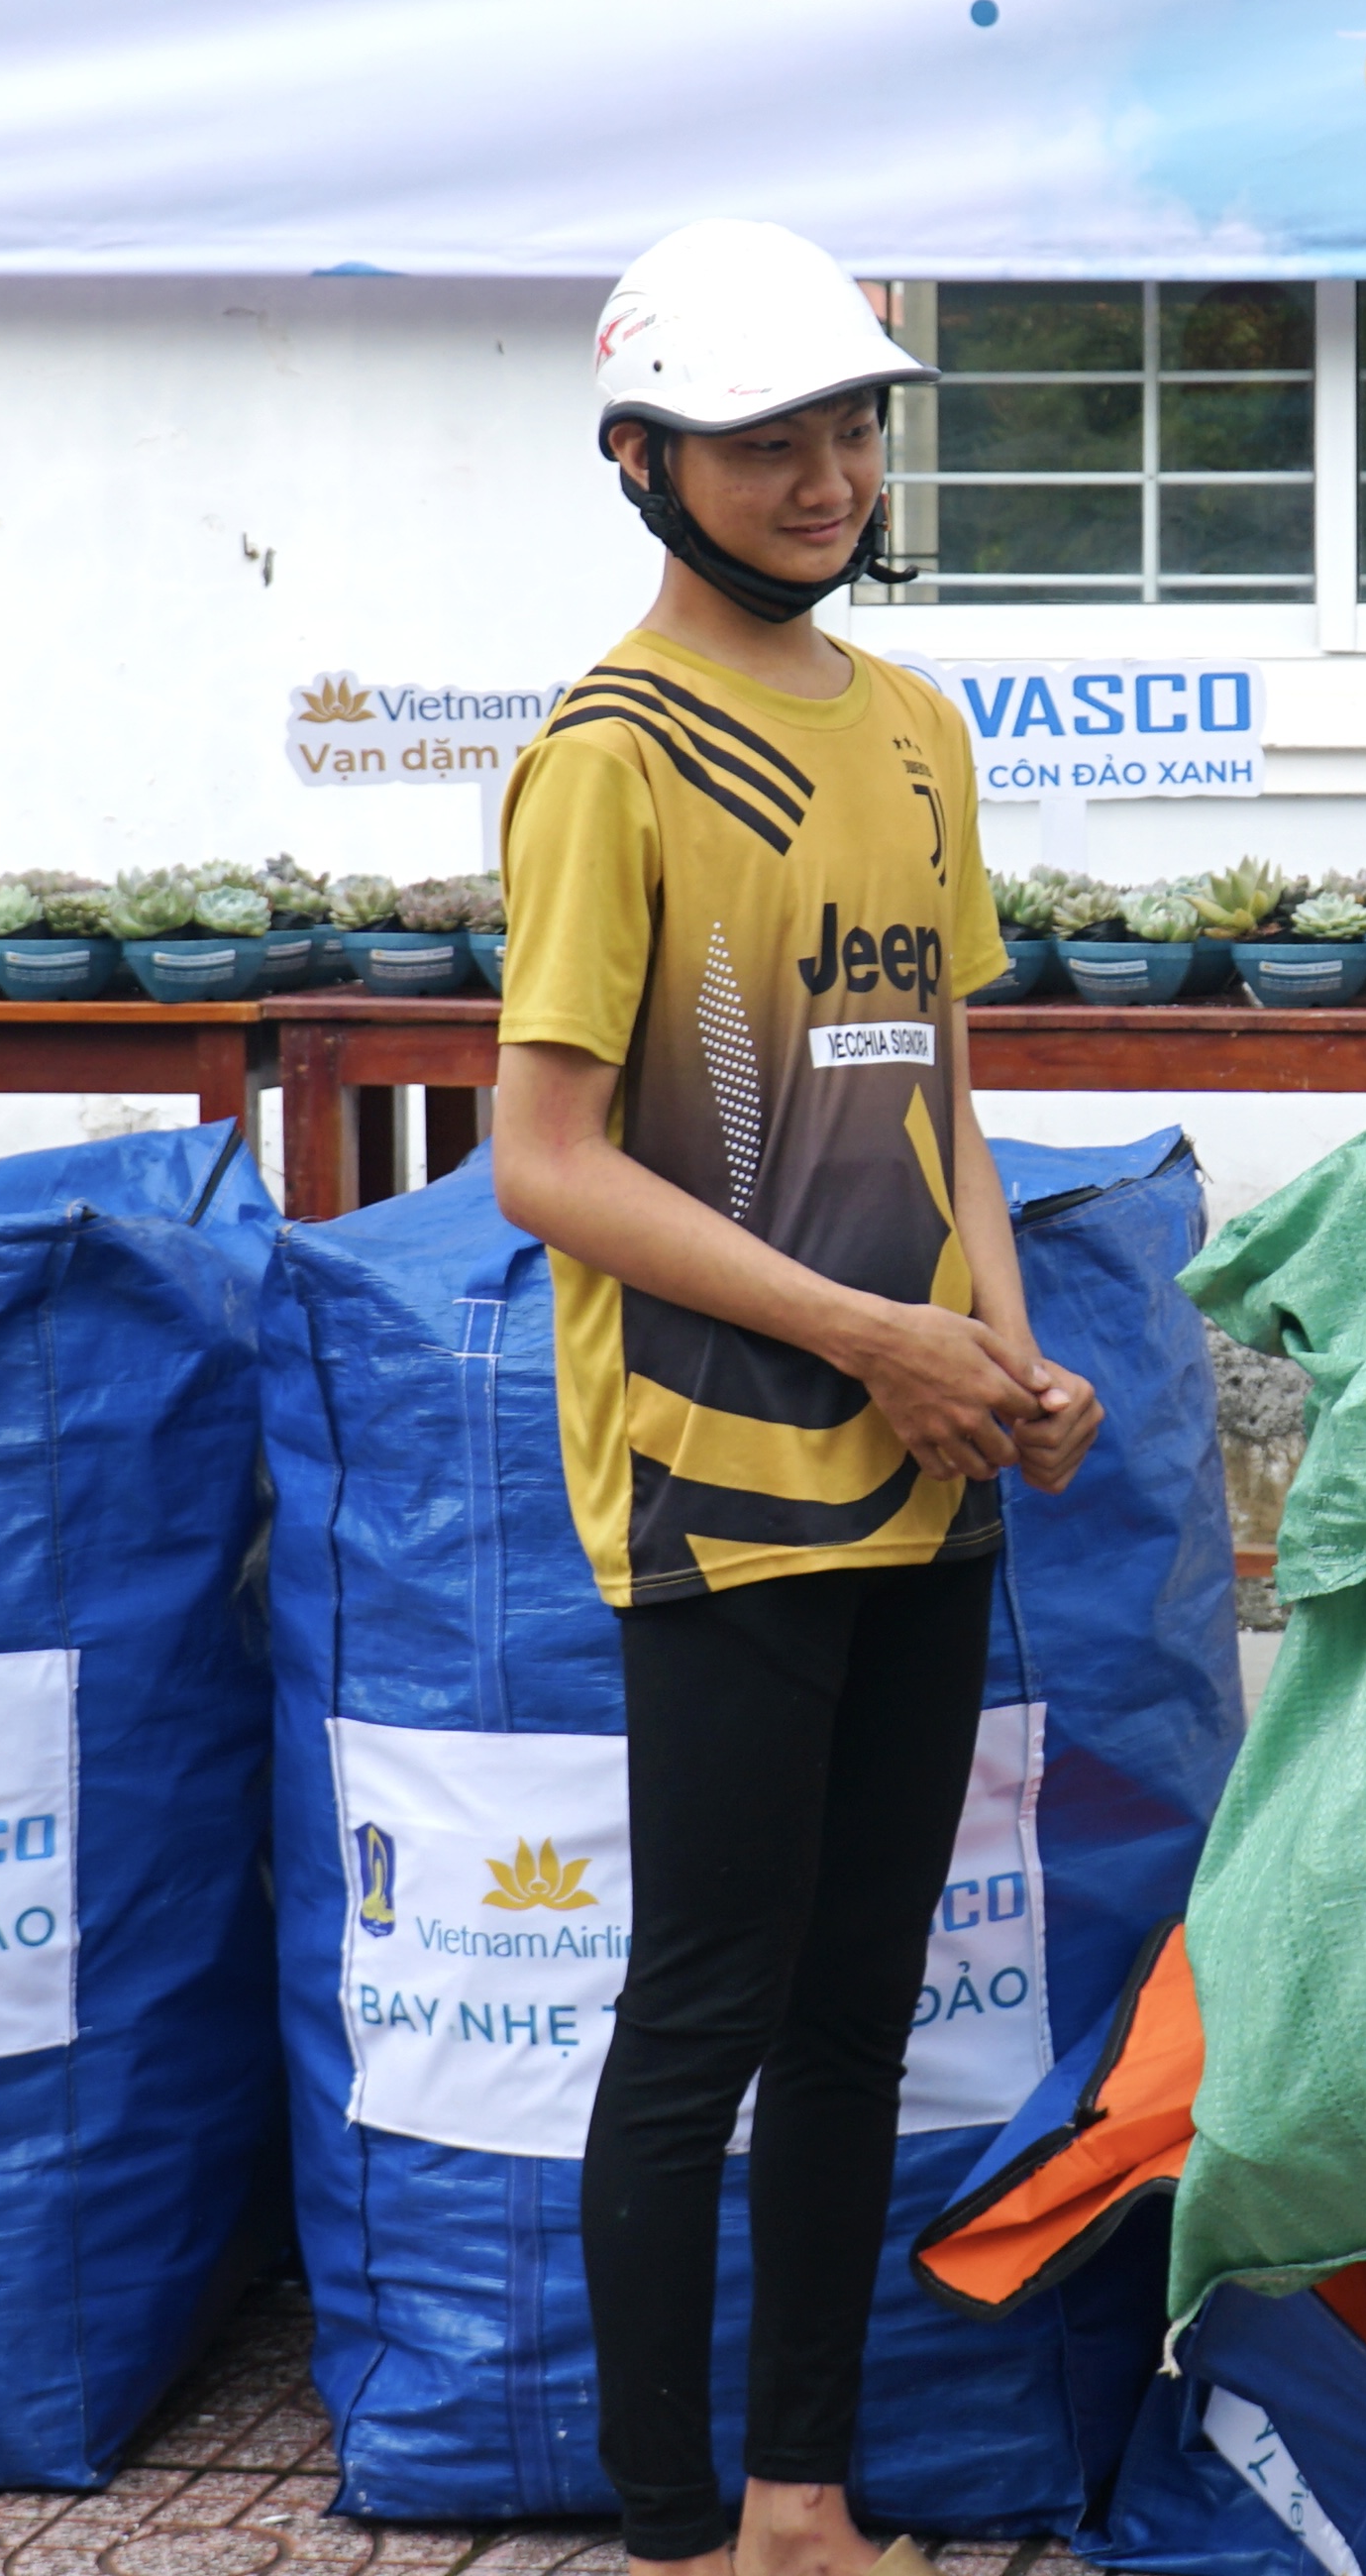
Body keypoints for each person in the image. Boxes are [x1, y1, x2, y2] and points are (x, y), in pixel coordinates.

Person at [486, 217, 1101, 2576]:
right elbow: (546, 1163)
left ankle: (797, 2508)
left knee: (859, 2015)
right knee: (705, 2014)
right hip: (722, 1481)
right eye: (765, 439)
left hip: (930, 1468)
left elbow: (947, 1094)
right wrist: (872, 1341)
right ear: (645, 462)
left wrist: (1012, 1353)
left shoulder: (918, 728)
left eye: (850, 423)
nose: (826, 472)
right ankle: (672, 2533)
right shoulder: (608, 763)